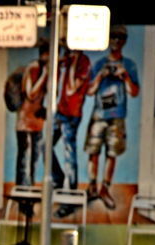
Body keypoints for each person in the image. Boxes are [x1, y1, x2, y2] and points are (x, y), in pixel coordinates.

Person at [84, 25, 140, 212]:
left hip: (117, 116)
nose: (115, 42)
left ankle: (104, 188)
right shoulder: (99, 63)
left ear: (124, 41)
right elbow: (90, 91)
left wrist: (124, 77)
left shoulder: (129, 65)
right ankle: (92, 186)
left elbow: (134, 92)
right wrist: (101, 76)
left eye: (119, 38)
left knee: (112, 153)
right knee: (93, 151)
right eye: (112, 37)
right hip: (99, 114)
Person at [52, 43, 92, 201]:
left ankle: (71, 193)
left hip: (72, 114)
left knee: (69, 154)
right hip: (60, 111)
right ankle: (58, 179)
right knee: (45, 145)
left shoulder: (84, 62)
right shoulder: (67, 60)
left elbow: (71, 88)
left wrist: (74, 63)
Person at [15, 41, 49, 189]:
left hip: (37, 123)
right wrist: (44, 76)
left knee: (33, 161)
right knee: (26, 162)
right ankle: (24, 195)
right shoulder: (34, 69)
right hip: (26, 123)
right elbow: (31, 94)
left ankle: (28, 192)